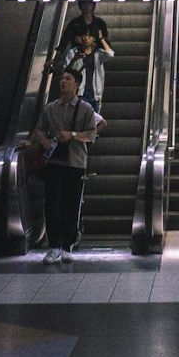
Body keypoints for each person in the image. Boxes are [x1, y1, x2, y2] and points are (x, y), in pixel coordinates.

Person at [24, 68, 104, 265]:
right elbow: (39, 129)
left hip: (75, 162)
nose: (63, 81)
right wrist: (43, 141)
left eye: (68, 79)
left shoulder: (85, 108)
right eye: (62, 79)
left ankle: (68, 246)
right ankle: (54, 246)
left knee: (72, 203)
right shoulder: (50, 108)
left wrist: (73, 135)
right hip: (53, 162)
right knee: (52, 203)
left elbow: (91, 134)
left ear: (76, 84)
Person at [58, 27, 114, 112]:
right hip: (80, 93)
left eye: (89, 36)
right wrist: (74, 59)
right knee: (82, 116)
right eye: (84, 35)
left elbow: (110, 54)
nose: (86, 38)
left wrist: (101, 39)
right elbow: (66, 71)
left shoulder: (98, 53)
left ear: (94, 39)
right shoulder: (73, 52)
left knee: (93, 118)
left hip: (95, 94)